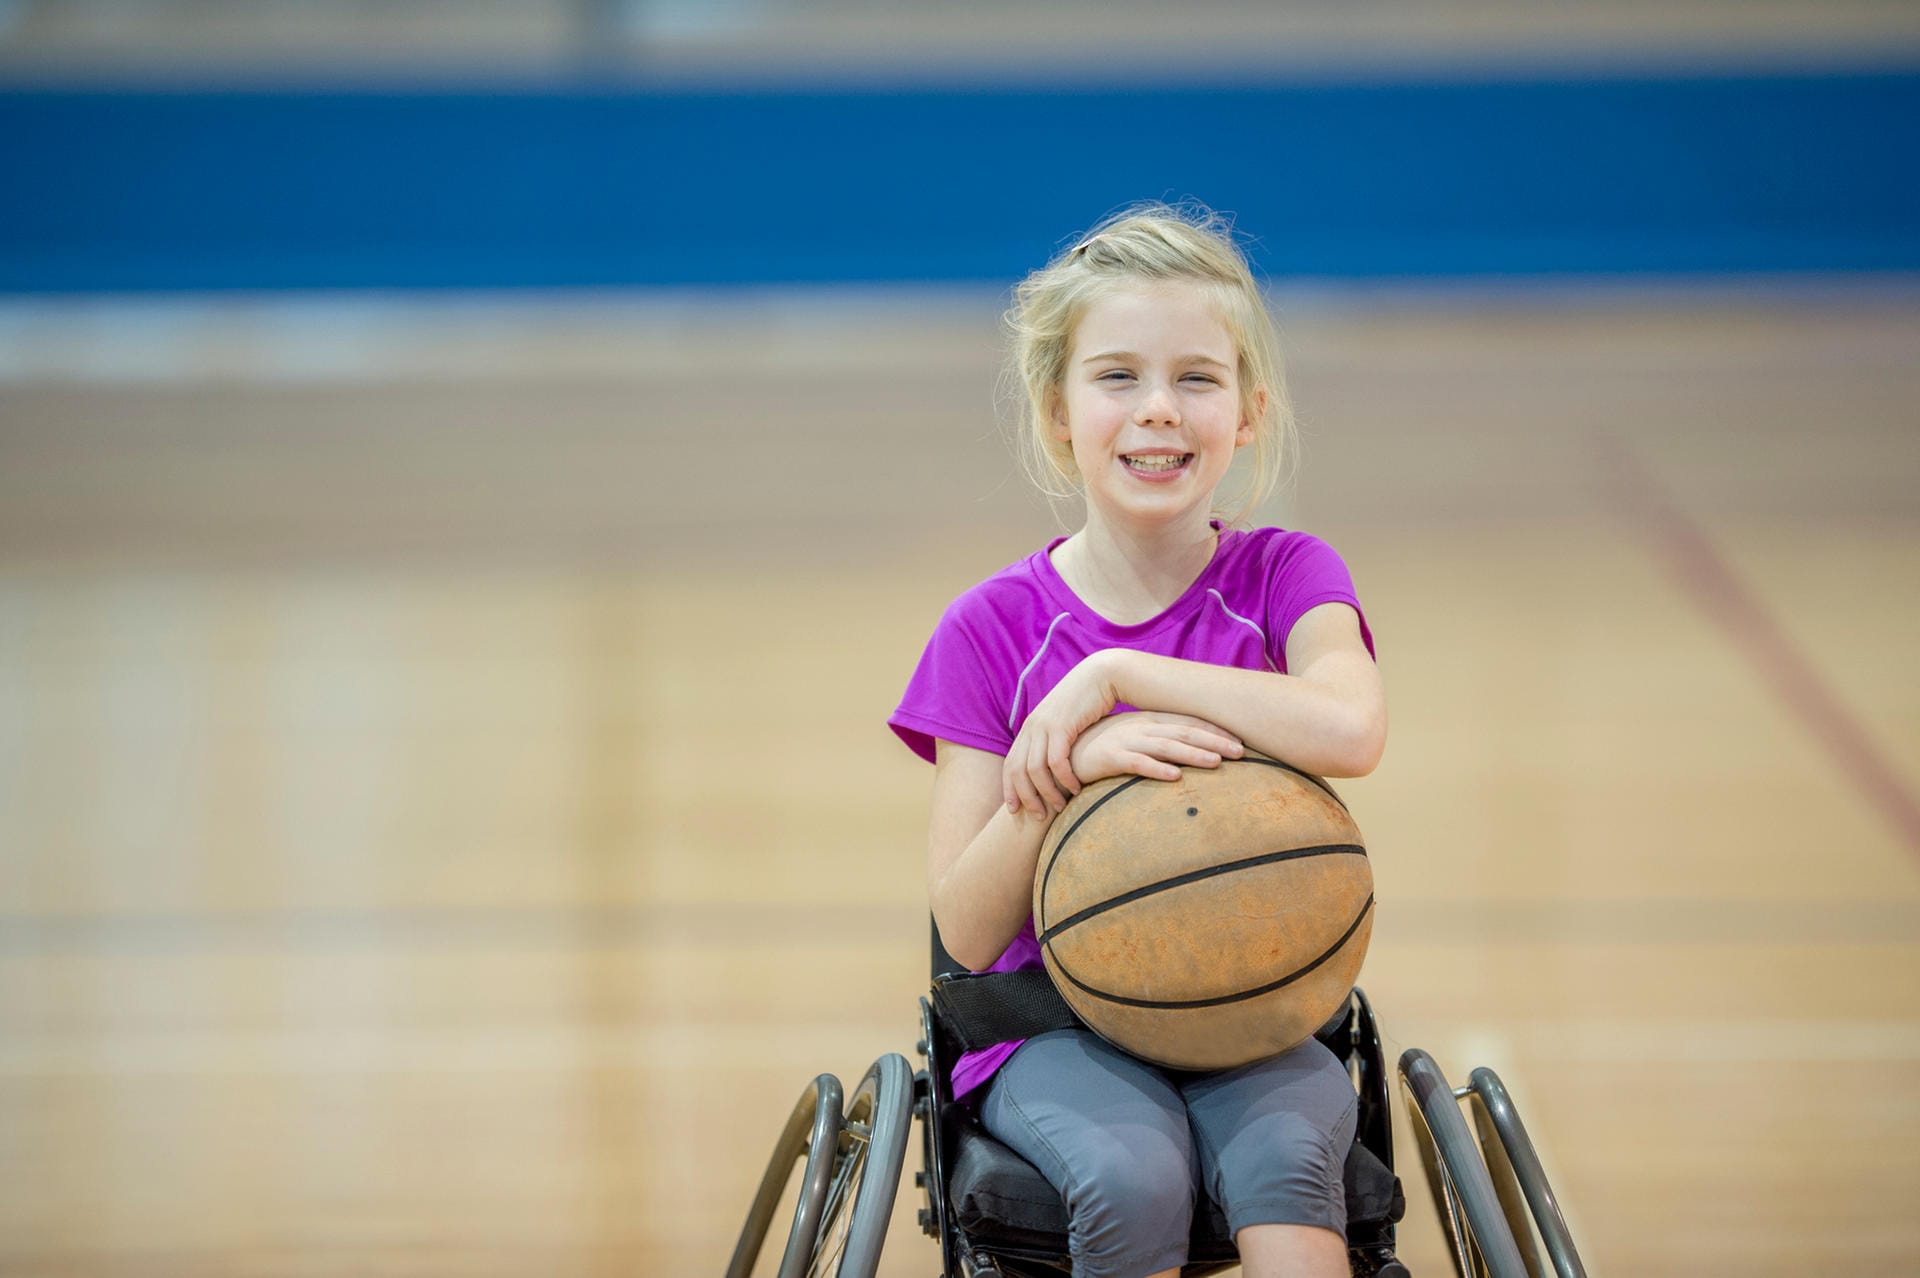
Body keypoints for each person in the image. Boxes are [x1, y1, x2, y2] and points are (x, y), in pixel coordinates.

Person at [889, 202, 1386, 1278]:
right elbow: (967, 935)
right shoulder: (987, 629)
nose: (1158, 410)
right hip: (1051, 1026)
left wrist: (1115, 676)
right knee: (1133, 1177)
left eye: (1197, 379)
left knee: (1293, 1166)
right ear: (1057, 411)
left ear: (1249, 412)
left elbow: (1351, 726)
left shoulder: (1286, 579)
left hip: (1249, 1004)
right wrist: (1061, 787)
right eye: (1117, 376)